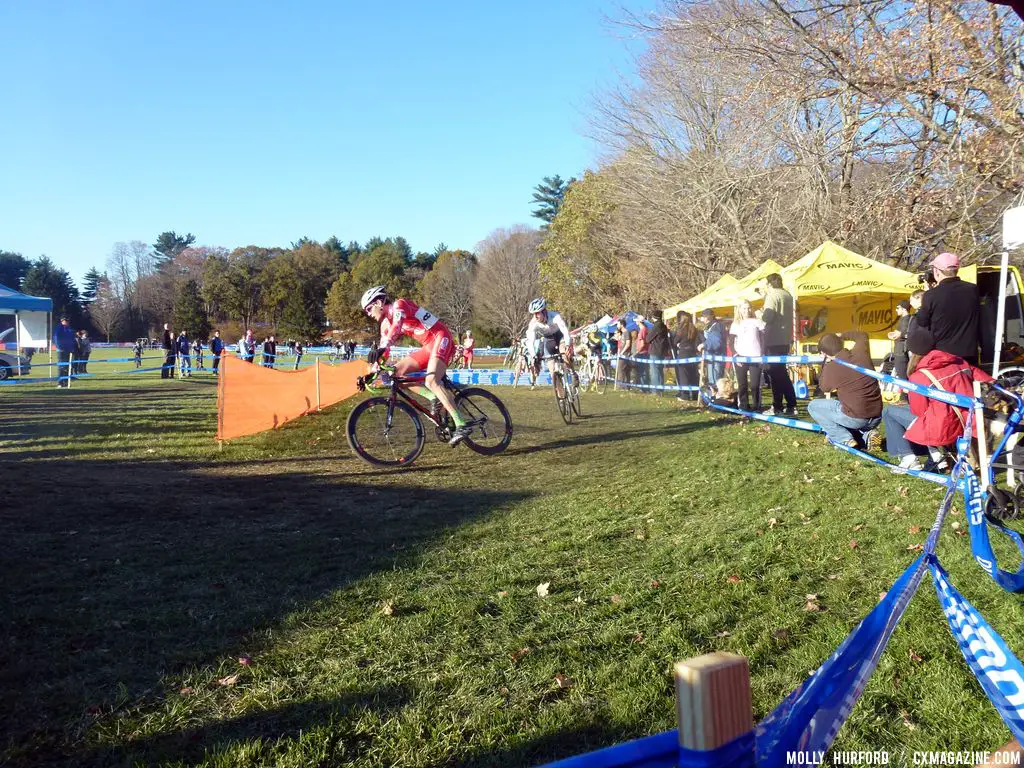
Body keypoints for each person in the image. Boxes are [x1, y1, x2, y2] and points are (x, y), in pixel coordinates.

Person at [361, 285, 471, 445]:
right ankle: (434, 398)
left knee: (431, 381)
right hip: (427, 346)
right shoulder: (385, 325)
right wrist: (370, 374)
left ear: (379, 302)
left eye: (369, 309)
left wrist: (381, 349)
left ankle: (462, 424)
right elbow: (383, 352)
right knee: (393, 374)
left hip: (441, 337)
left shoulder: (399, 305)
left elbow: (397, 325)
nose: (369, 314)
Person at [882, 328, 993, 471]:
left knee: (889, 411)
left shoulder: (919, 376)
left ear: (912, 350)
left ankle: (909, 457)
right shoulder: (959, 362)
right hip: (969, 423)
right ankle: (934, 455)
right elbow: (989, 381)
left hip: (944, 429)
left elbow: (919, 411)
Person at [807, 331, 882, 447]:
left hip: (856, 418)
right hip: (876, 415)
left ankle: (844, 438)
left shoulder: (832, 367)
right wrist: (841, 335)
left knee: (813, 406)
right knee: (841, 406)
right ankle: (868, 434)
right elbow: (862, 335)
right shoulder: (861, 351)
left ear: (824, 353)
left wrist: (825, 363)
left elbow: (824, 387)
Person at [914, 252, 980, 366]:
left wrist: (926, 298)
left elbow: (922, 322)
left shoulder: (931, 295)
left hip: (943, 355)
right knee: (966, 383)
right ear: (956, 270)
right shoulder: (973, 289)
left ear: (936, 271)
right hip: (969, 352)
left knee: (947, 383)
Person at [761, 273, 797, 416]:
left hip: (773, 339)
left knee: (776, 375)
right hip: (785, 339)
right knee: (782, 373)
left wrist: (759, 313)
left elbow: (767, 317)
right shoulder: (788, 295)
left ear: (769, 284)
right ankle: (790, 405)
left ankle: (777, 407)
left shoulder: (772, 295)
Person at [526, 298, 574, 389]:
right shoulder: (533, 323)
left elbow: (565, 331)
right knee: (552, 372)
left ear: (544, 311)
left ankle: (573, 372)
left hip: (560, 337)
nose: (535, 316)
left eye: (537, 313)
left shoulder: (555, 316)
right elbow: (530, 341)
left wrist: (568, 345)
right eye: (533, 314)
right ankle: (561, 398)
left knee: (564, 354)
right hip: (548, 340)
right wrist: (533, 356)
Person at [729, 300, 766, 413]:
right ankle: (744, 406)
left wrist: (762, 354)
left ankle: (756, 406)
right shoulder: (736, 324)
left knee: (755, 385)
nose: (746, 310)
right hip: (741, 357)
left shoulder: (758, 322)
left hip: (755, 357)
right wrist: (735, 355)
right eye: (744, 308)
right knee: (742, 384)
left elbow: (764, 339)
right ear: (740, 309)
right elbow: (730, 342)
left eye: (748, 308)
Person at [673, 311, 700, 402]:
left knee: (683, 374)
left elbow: (675, 341)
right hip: (692, 353)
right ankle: (695, 395)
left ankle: (685, 395)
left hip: (683, 353)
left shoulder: (681, 330)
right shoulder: (694, 329)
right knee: (693, 375)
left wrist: (678, 344)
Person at [697, 309, 725, 386]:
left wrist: (704, 345)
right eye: (704, 317)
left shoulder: (716, 326)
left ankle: (716, 397)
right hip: (711, 356)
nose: (705, 319)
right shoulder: (709, 326)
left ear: (712, 316)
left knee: (715, 381)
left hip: (717, 357)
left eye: (707, 317)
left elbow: (716, 341)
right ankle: (713, 396)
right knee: (712, 380)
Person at [648, 313, 671, 394]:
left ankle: (656, 390)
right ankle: (660, 389)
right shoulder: (663, 326)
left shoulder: (656, 326)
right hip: (662, 350)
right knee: (660, 370)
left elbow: (648, 338)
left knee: (654, 371)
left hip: (655, 350)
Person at [52, 316, 76, 388]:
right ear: (62, 321)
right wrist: (59, 347)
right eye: (65, 321)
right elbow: (56, 337)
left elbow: (72, 339)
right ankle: (60, 382)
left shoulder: (70, 329)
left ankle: (66, 382)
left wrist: (72, 348)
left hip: (69, 350)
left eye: (67, 321)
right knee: (61, 366)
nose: (66, 322)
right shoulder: (59, 328)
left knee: (67, 366)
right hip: (61, 350)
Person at [615, 319, 633, 387]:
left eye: (618, 324)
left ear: (622, 325)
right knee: (623, 370)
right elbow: (621, 344)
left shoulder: (627, 332)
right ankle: (625, 386)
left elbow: (628, 344)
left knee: (621, 370)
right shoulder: (622, 333)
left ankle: (621, 386)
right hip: (622, 353)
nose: (617, 325)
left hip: (625, 354)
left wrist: (622, 353)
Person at [634, 316, 650, 387]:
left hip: (642, 353)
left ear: (639, 321)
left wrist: (637, 351)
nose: (635, 322)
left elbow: (642, 344)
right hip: (644, 353)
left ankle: (644, 388)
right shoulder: (645, 329)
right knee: (643, 371)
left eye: (636, 320)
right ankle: (643, 386)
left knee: (642, 371)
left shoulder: (643, 330)